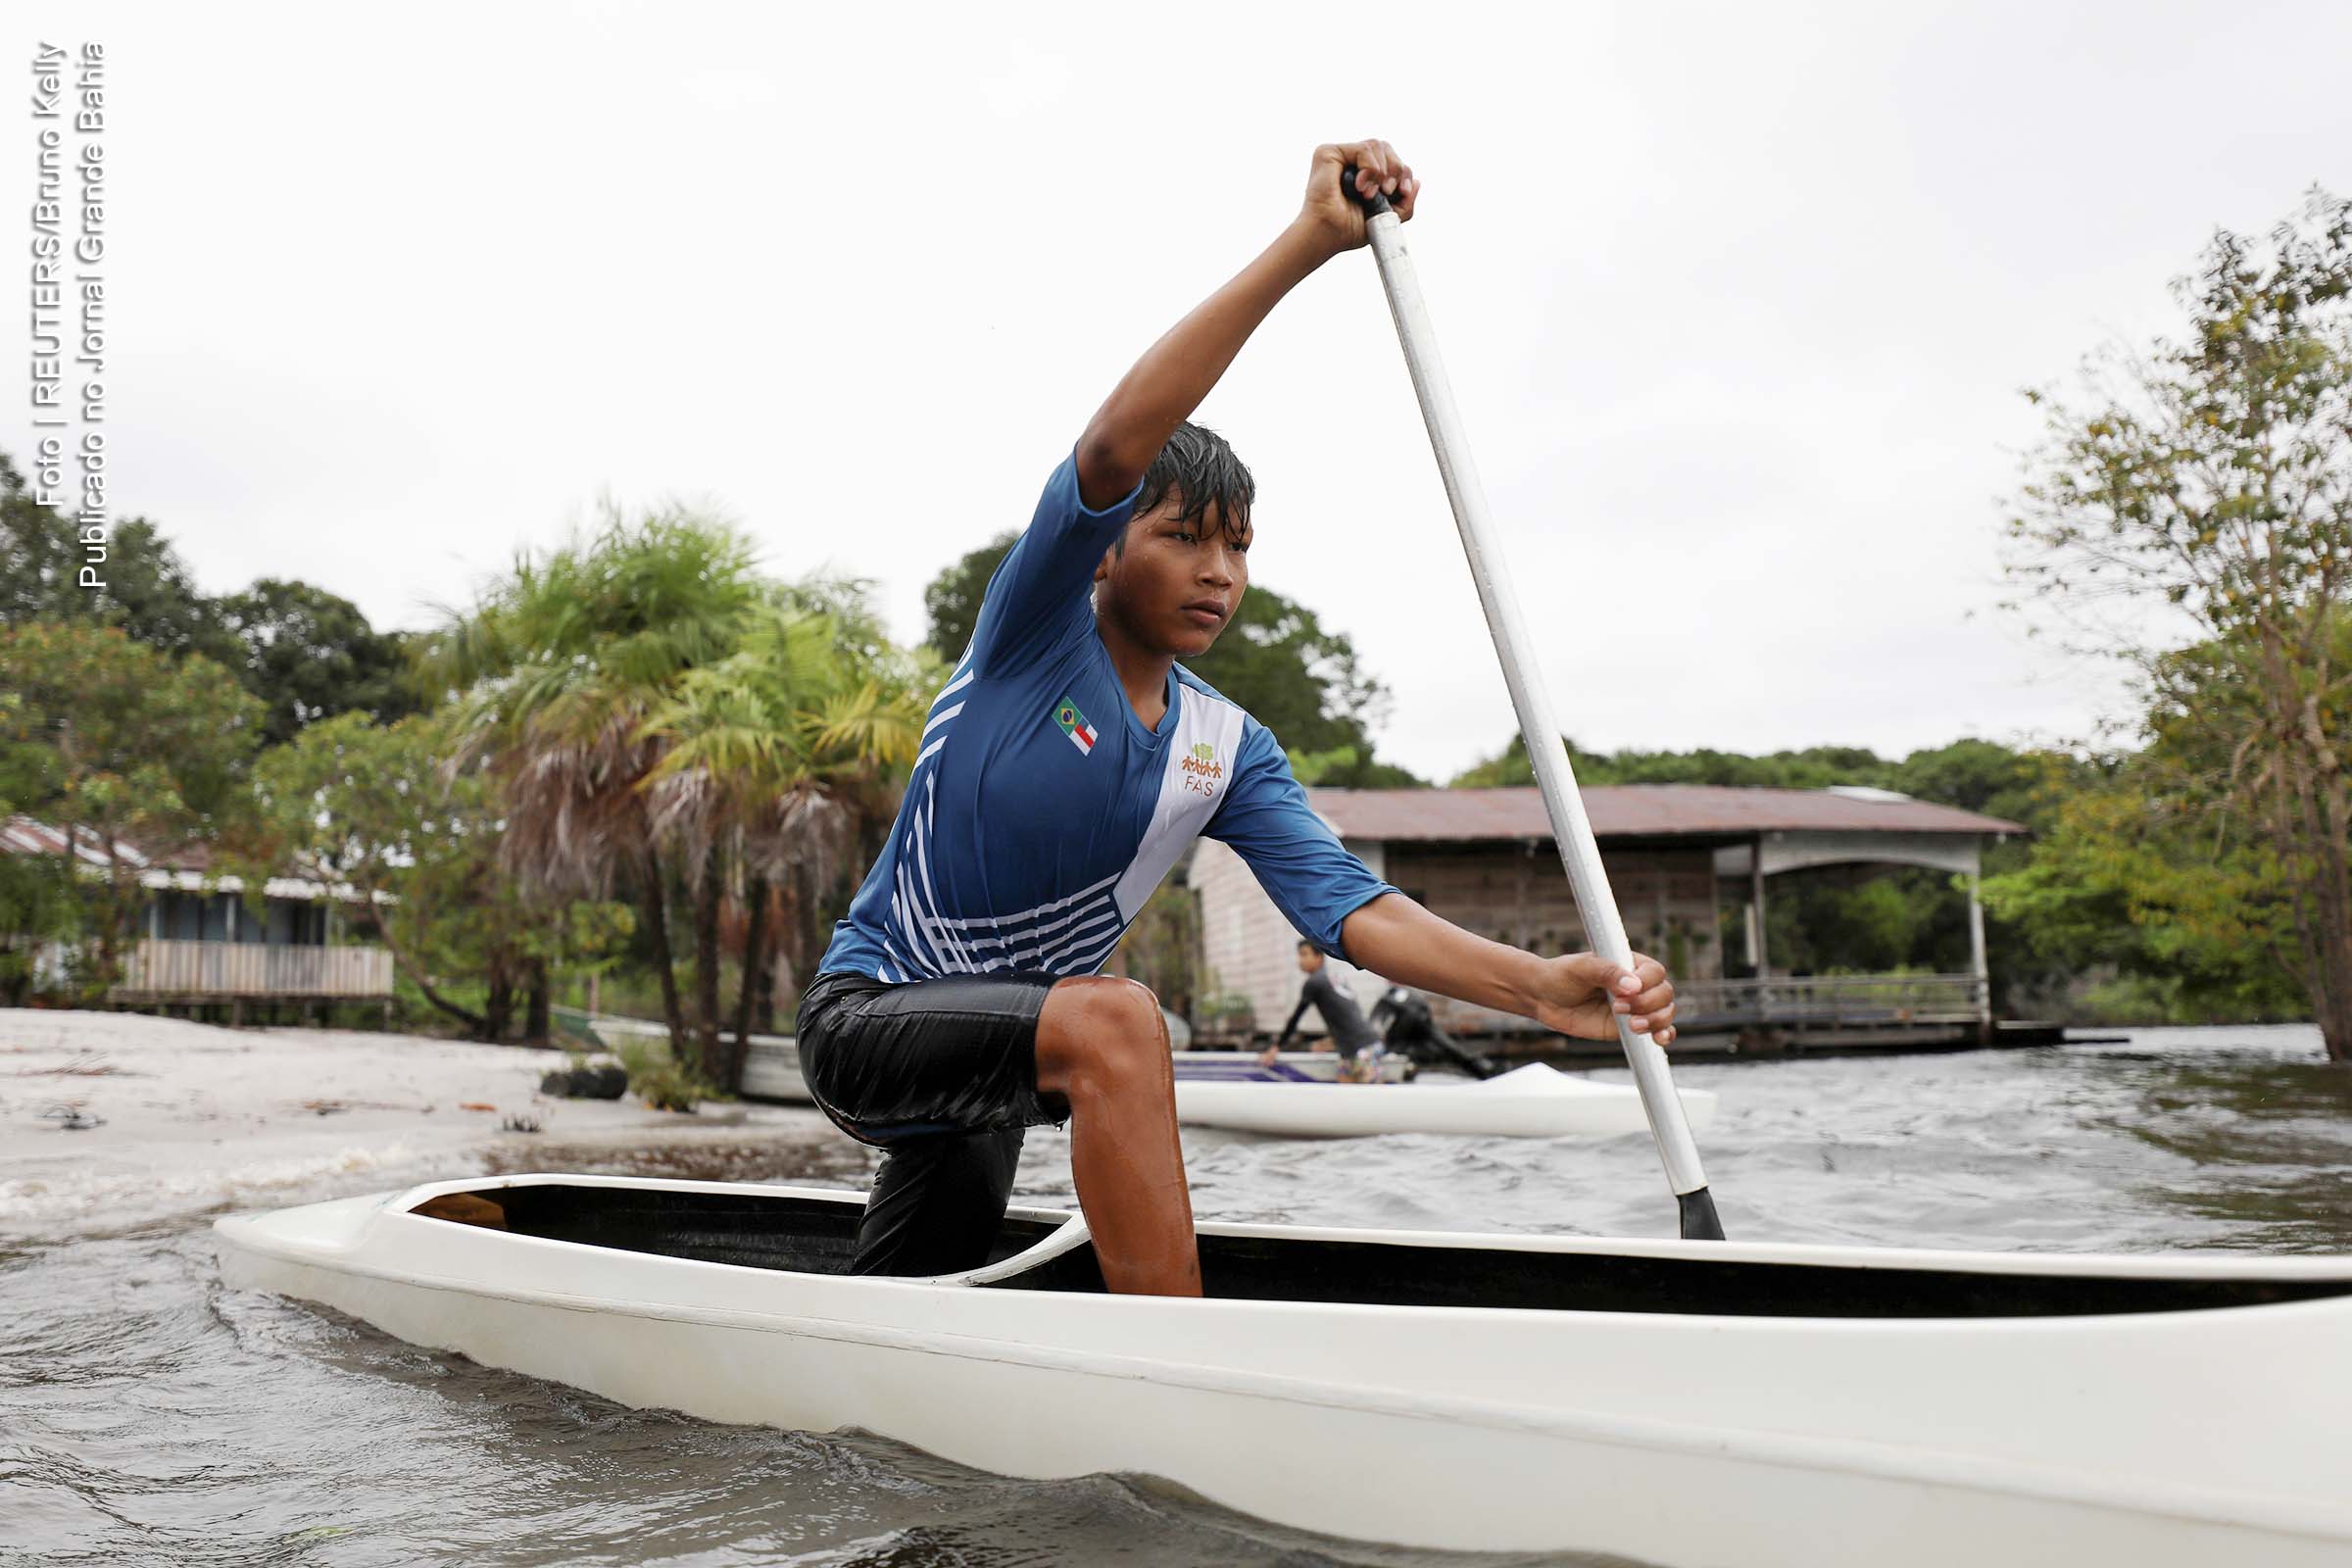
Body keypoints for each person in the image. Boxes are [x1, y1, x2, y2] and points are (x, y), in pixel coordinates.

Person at [796, 139, 1678, 1298]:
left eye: (1239, 548)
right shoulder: (1032, 636)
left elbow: (1352, 909)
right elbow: (1113, 446)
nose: (1218, 571)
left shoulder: (1225, 748)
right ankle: (1179, 1356)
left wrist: (1537, 988)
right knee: (1120, 1023)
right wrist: (1311, 243)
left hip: (1001, 1054)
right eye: (1182, 537)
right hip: (870, 1021)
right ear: (1104, 551)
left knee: (909, 1301)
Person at [1262, 940, 1386, 1081]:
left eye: (1304, 955)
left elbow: (1296, 1017)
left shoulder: (1315, 982)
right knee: (1345, 1089)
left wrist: (1276, 1047)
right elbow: (1345, 1016)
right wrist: (1329, 1042)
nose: (1300, 961)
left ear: (1319, 957)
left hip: (1363, 1049)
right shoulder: (1333, 977)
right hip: (1360, 1046)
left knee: (1369, 1093)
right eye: (1299, 955)